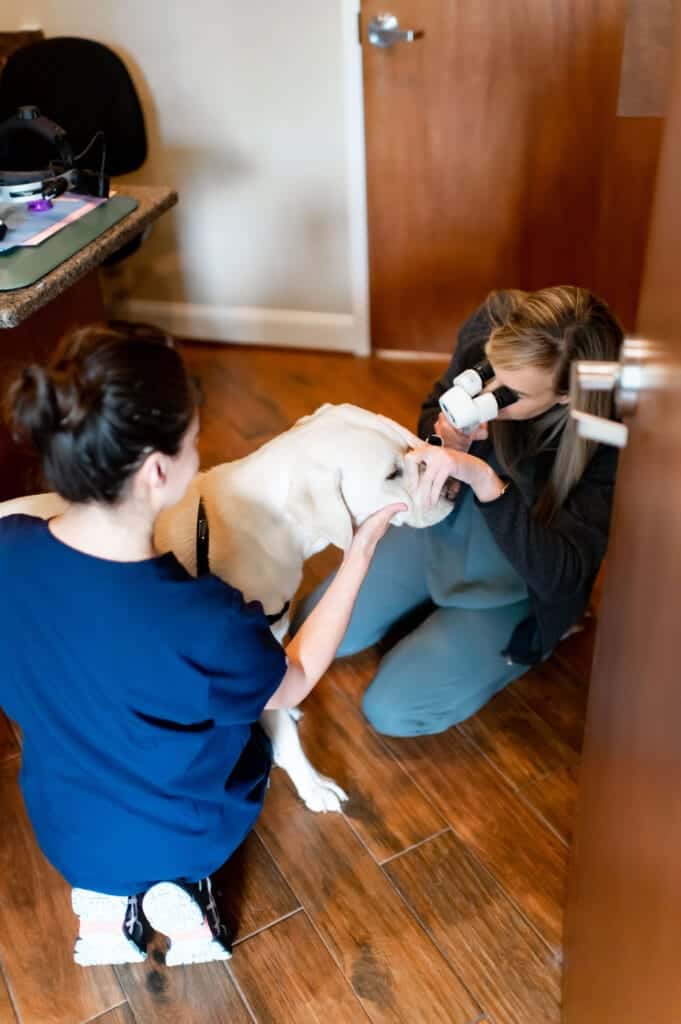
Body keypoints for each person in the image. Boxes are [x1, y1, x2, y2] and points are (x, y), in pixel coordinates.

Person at [0, 323, 403, 968]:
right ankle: (185, 901)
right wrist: (357, 557)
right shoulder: (206, 617)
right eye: (194, 442)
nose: (200, 454)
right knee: (236, 739)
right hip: (183, 834)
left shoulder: (8, 548)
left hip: (64, 827)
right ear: (159, 470)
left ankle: (103, 909)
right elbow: (293, 680)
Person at [292, 286, 624, 738]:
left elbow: (560, 573)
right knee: (316, 626)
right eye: (489, 371)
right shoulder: (492, 320)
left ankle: (537, 639)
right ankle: (430, 611)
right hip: (443, 526)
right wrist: (447, 439)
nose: (488, 390)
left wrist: (487, 481)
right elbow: (435, 405)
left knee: (392, 710)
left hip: (516, 574)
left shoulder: (606, 437)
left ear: (566, 396)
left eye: (511, 393)